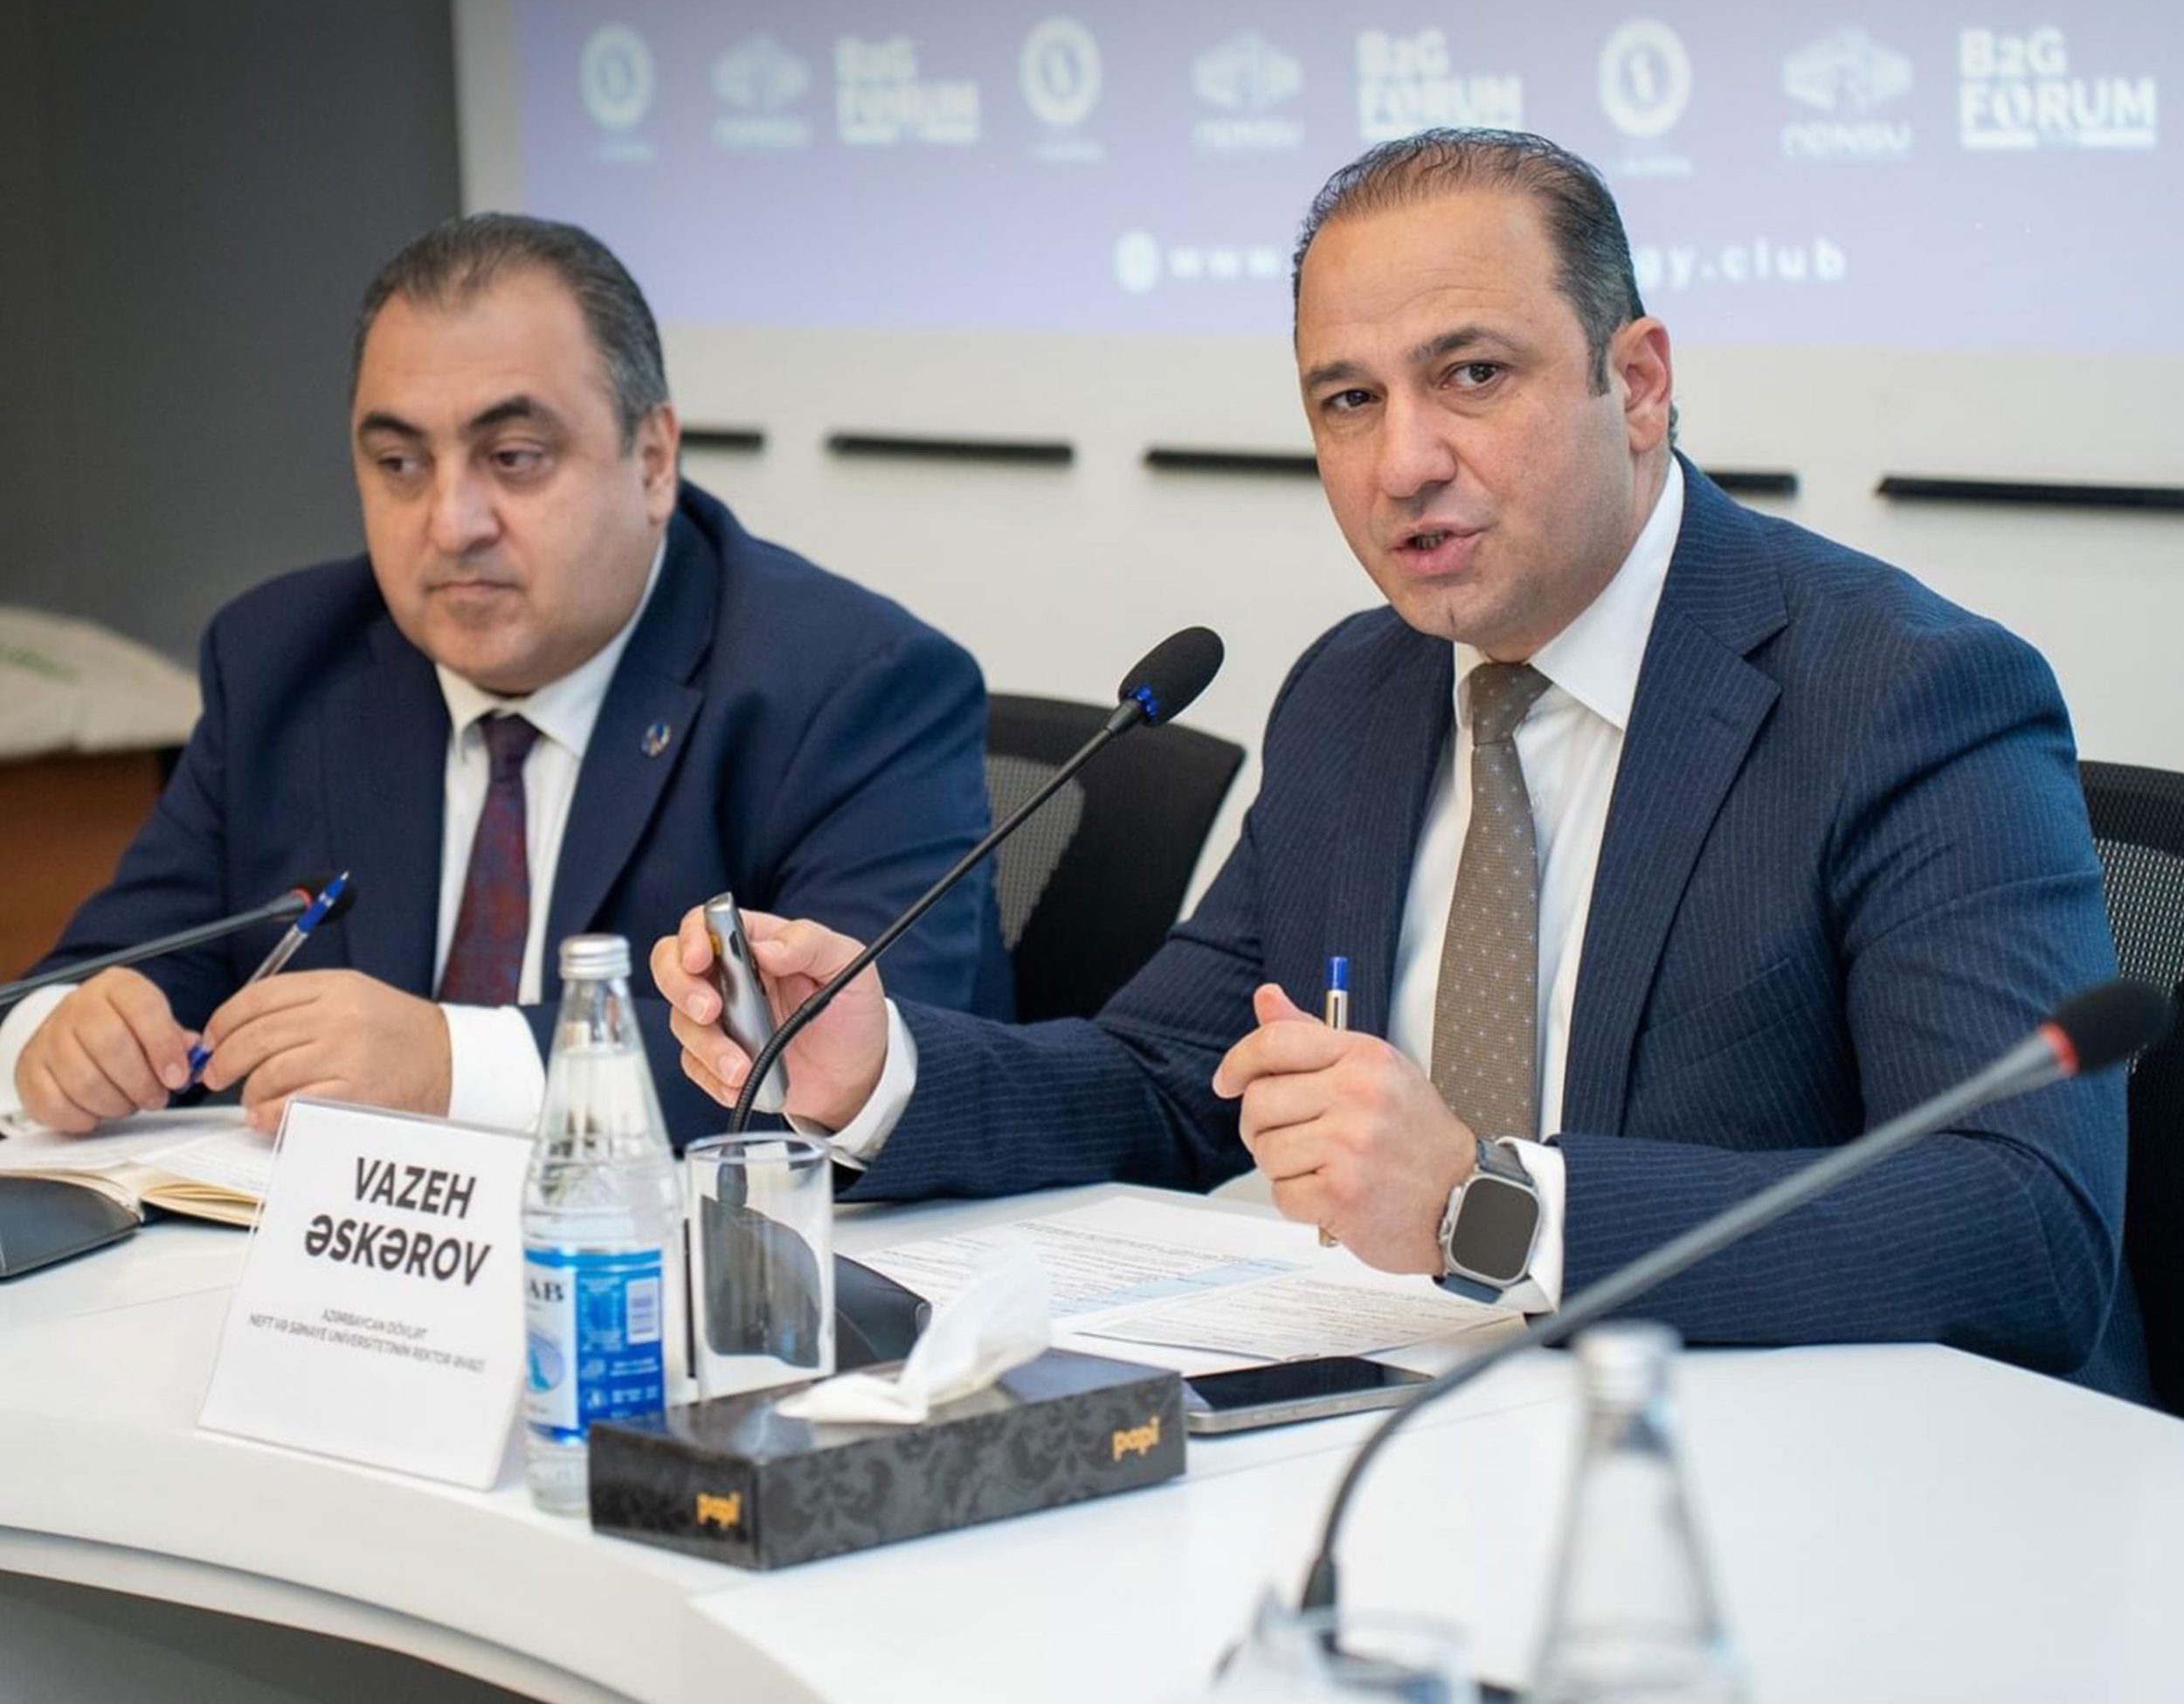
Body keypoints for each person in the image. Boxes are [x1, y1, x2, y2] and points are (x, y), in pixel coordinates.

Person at [648, 129, 2148, 1401]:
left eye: (1472, 375)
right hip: (1422, 1432)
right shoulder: (1356, 693)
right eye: (1349, 401)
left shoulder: (1905, 694)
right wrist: (877, 1068)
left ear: (1636, 383)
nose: (1403, 462)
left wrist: (1488, 1208)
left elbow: (2024, 1222)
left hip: (1802, 1470)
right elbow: (1173, 1080)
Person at [2, 215, 1010, 1147]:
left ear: (653, 460)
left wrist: (451, 1064)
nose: (452, 523)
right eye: (400, 464)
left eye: (515, 457)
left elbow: (865, 1064)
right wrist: (66, 1037)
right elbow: (108, 973)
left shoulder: (850, 688)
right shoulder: (281, 660)